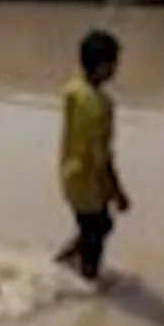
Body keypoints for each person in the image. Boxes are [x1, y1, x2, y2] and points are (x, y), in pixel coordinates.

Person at [54, 29, 130, 284]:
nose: (116, 69)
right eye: (113, 63)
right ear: (103, 66)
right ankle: (88, 283)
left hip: (70, 175)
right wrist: (117, 191)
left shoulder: (74, 89)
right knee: (96, 232)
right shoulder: (100, 105)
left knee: (99, 225)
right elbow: (102, 157)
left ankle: (63, 261)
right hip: (89, 181)